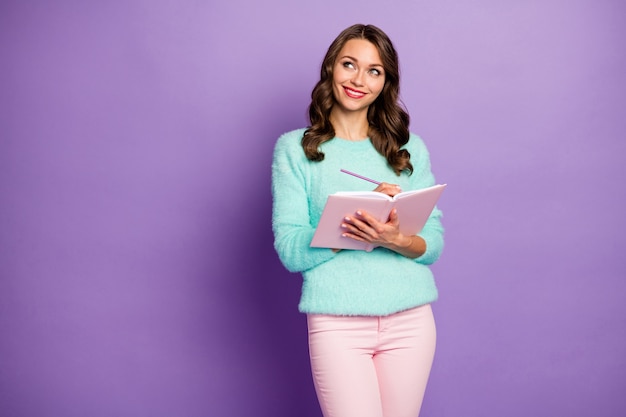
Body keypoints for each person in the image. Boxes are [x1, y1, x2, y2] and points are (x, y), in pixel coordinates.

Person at [271, 23, 444, 417]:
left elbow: (432, 243)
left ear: (386, 83)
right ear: (331, 67)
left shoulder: (407, 148)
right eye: (349, 64)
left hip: (411, 321)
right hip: (338, 323)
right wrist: (350, 223)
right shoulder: (295, 151)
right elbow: (290, 251)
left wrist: (395, 238)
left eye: (374, 71)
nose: (359, 79)